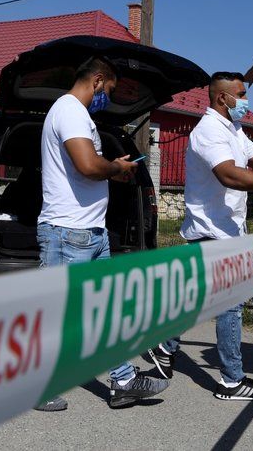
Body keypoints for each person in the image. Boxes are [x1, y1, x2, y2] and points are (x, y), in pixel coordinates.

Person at [148, 71, 253, 401]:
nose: (245, 102)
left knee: (192, 300)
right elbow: (229, 175)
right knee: (230, 306)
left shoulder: (232, 129)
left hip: (226, 231)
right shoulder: (208, 131)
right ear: (223, 98)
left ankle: (163, 350)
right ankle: (231, 381)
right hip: (212, 232)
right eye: (241, 94)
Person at [34, 57, 169, 411]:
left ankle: (122, 381)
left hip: (89, 231)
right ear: (96, 80)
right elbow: (89, 165)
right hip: (68, 231)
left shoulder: (78, 115)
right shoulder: (69, 111)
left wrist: (116, 171)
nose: (107, 98)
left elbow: (90, 168)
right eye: (108, 91)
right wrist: (116, 168)